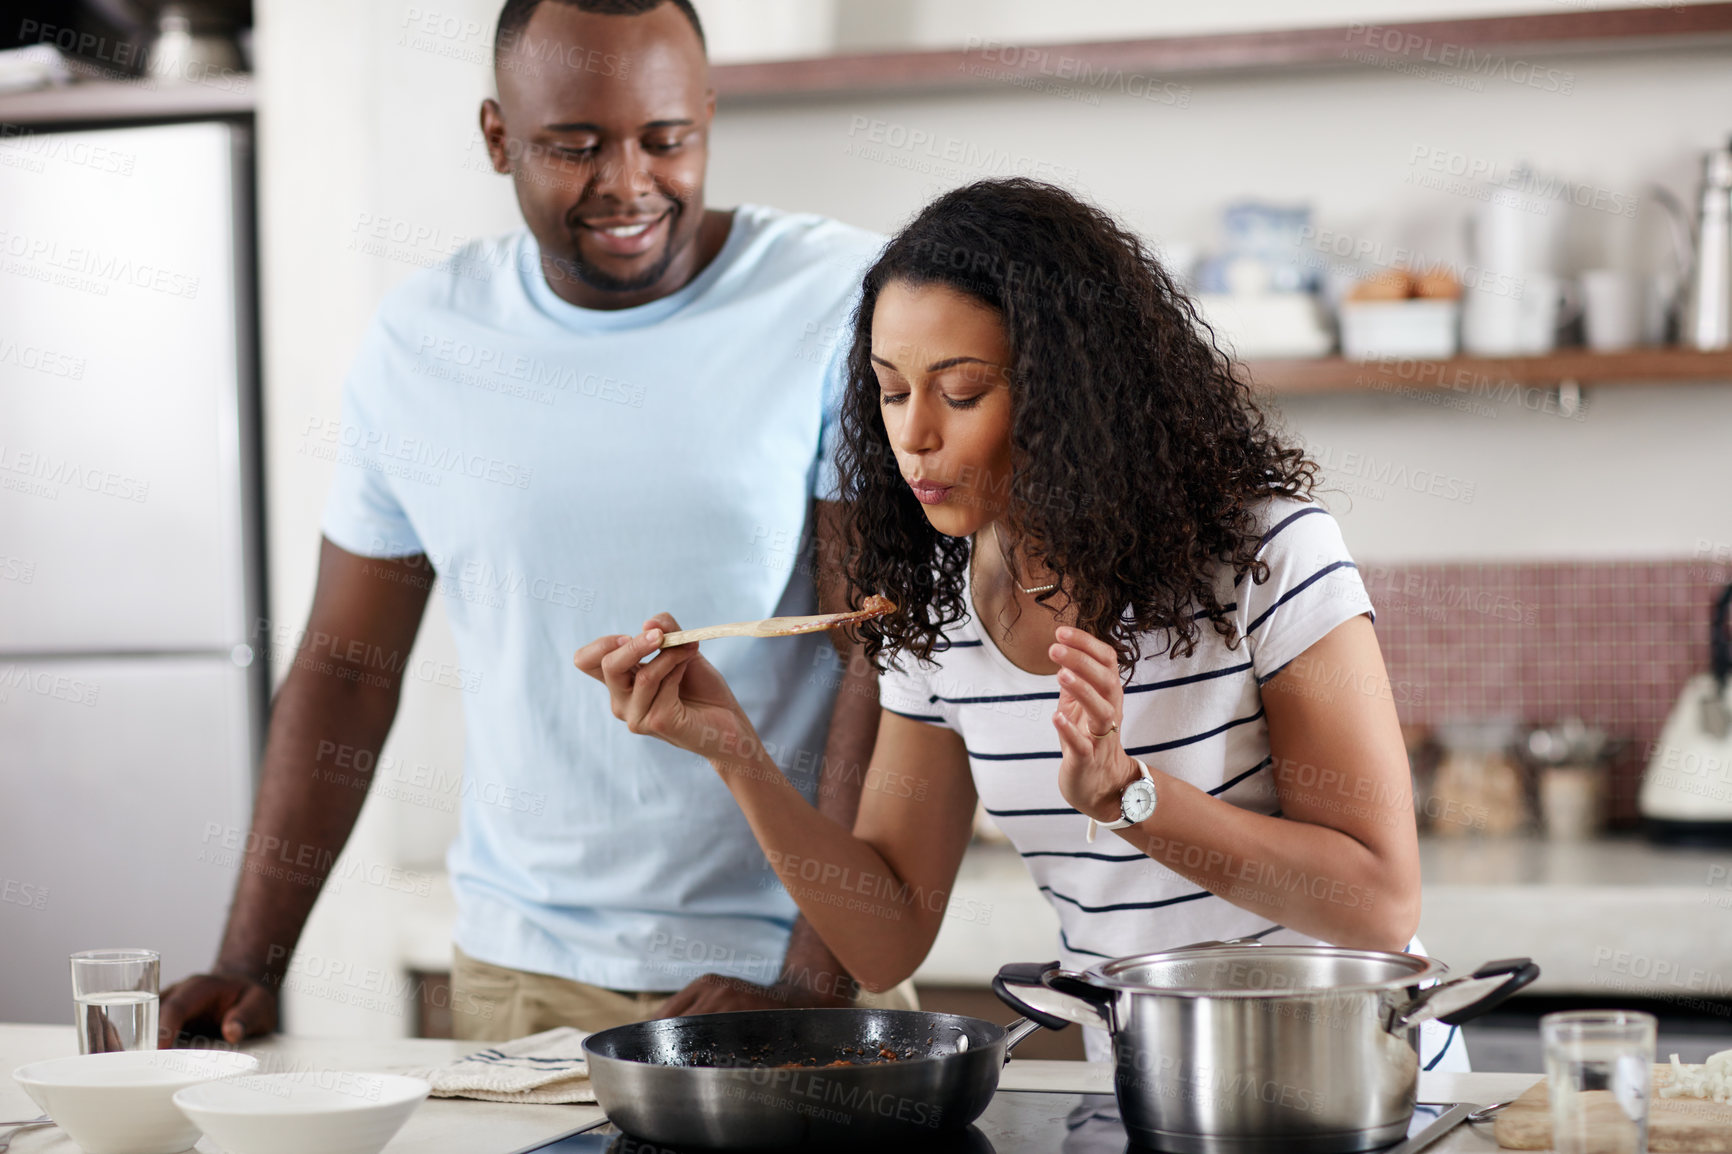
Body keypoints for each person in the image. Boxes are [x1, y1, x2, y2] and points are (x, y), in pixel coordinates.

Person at [575, 177, 1468, 1070]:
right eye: (890, 392)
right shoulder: (934, 603)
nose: (914, 435)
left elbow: (1378, 901)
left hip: (1355, 1085)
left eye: (960, 393)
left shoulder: (1265, 554)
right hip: (1149, 1093)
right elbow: (886, 939)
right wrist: (738, 755)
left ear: (1071, 395)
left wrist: (1132, 799)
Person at [159, 0, 906, 1047]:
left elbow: (875, 648)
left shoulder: (841, 298)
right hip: (523, 977)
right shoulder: (422, 342)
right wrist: (248, 962)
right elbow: (344, 671)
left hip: (795, 966)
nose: (630, 184)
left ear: (707, 113)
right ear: (497, 136)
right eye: (575, 146)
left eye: (665, 139)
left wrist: (814, 979)